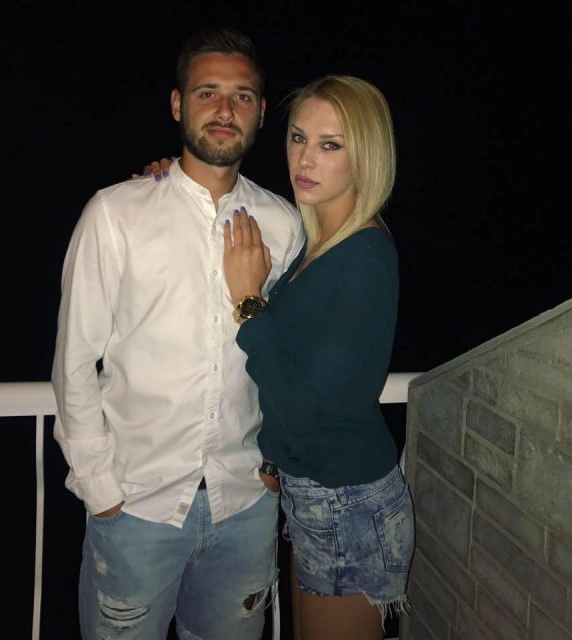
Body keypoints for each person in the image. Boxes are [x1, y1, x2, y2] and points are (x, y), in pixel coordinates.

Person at [51, 27, 305, 640]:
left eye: (242, 96)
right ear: (177, 104)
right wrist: (101, 488)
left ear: (261, 113)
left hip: (246, 505)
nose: (224, 109)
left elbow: (293, 358)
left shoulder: (283, 223)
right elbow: (75, 361)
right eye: (207, 92)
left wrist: (276, 463)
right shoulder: (116, 214)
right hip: (136, 508)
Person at [220, 75, 415, 640]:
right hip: (315, 491)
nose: (305, 159)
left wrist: (249, 303)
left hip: (348, 504)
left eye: (330, 145)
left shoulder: (365, 259)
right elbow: (307, 374)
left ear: (366, 157)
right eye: (298, 137)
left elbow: (304, 406)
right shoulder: (319, 241)